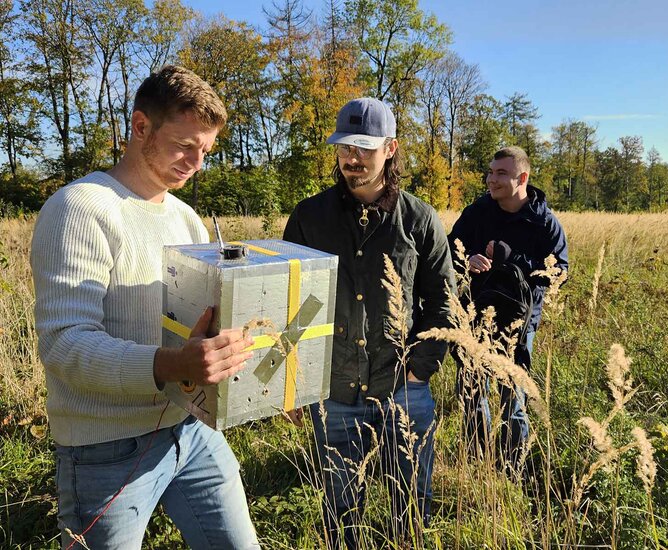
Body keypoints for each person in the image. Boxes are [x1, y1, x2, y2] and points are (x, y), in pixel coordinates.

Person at [31, 65, 260, 549]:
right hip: (104, 450)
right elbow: (65, 345)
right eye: (184, 145)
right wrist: (171, 364)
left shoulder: (186, 219)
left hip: (192, 432)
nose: (196, 162)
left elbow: (199, 324)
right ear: (140, 127)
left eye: (206, 151)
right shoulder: (81, 208)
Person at [282, 97, 454, 548]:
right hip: (335, 391)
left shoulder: (418, 220)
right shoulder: (309, 218)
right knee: (340, 512)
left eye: (364, 148)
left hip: (403, 389)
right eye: (344, 147)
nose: (351, 158)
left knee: (411, 503)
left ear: (391, 148)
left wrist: (419, 370)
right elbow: (288, 302)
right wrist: (294, 383)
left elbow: (443, 300)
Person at [448, 146, 568, 473]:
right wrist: (467, 258)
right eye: (490, 172)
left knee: (512, 397)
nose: (492, 179)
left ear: (522, 178)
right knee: (473, 393)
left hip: (518, 325)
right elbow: (448, 247)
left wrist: (513, 260)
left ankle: (510, 470)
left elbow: (560, 270)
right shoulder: (478, 212)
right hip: (475, 317)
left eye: (501, 173)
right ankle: (476, 466)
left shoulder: (543, 222)